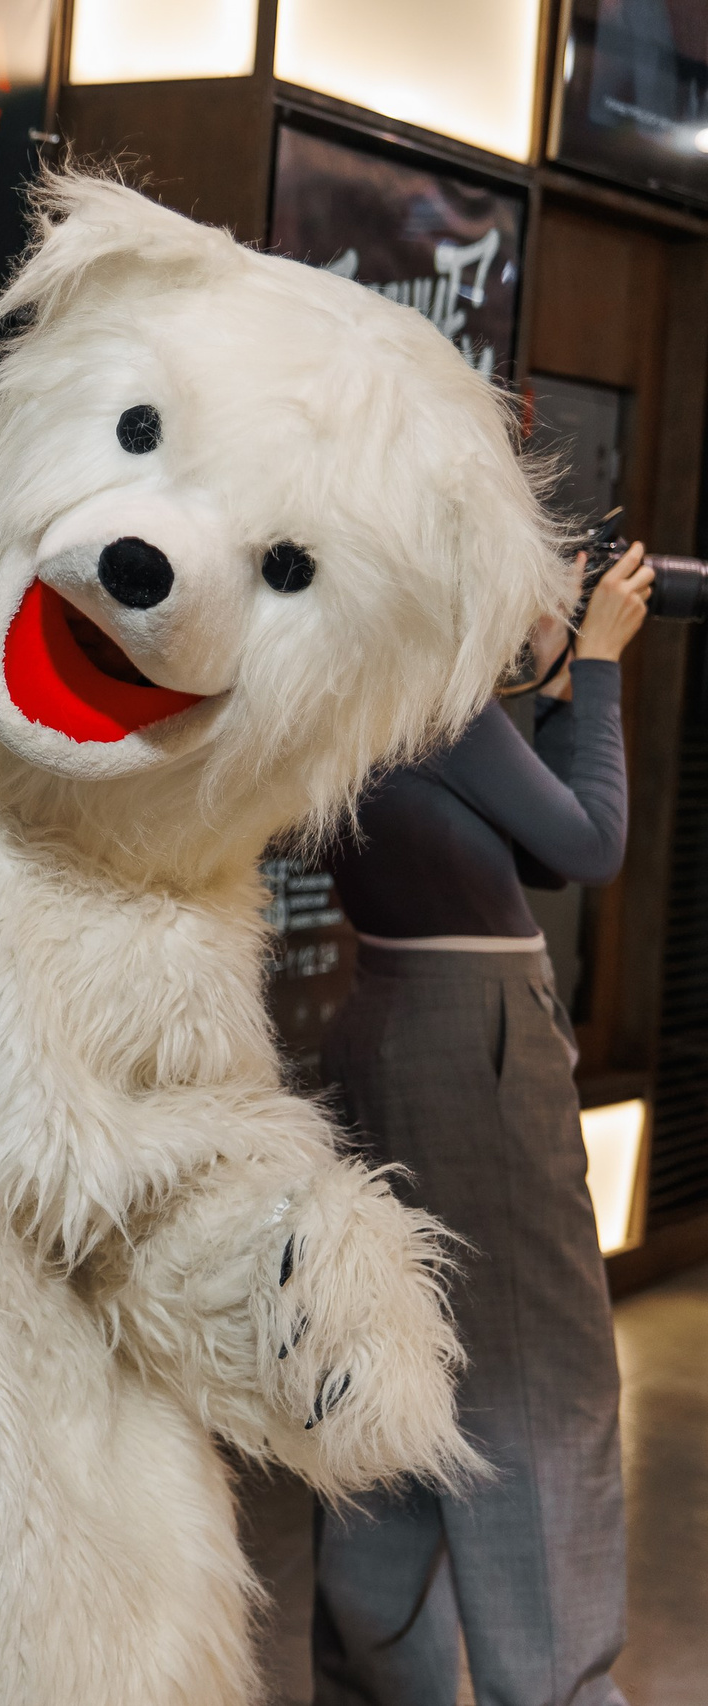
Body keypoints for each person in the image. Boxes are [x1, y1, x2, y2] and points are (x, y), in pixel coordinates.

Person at [313, 541, 652, 1706]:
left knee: (395, 1377)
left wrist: (552, 678)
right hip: (476, 1035)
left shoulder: (352, 668)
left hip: (392, 1015)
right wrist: (599, 663)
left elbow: (516, 851)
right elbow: (591, 846)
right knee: (536, 1379)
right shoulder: (435, 685)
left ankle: (377, 1678)